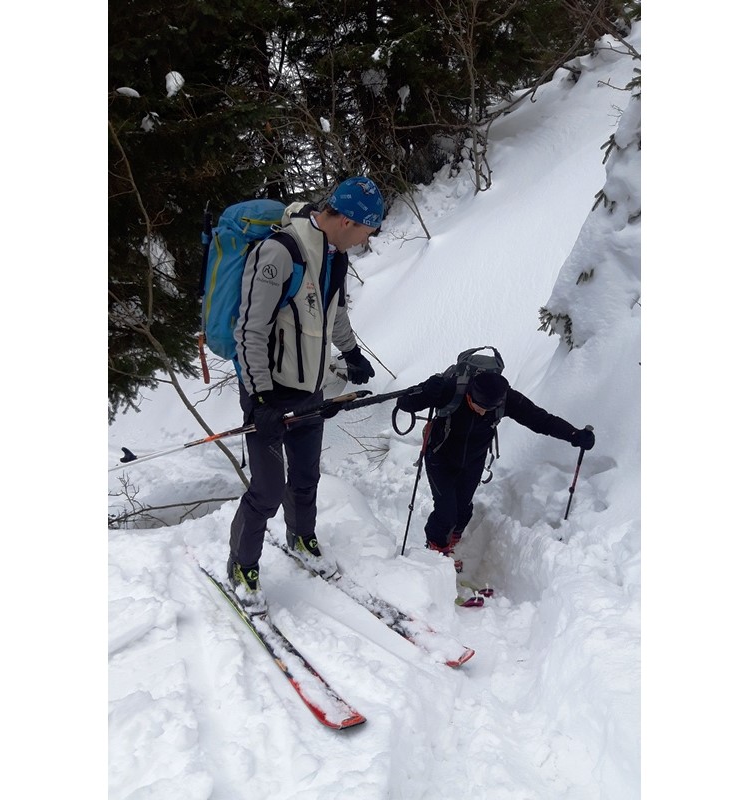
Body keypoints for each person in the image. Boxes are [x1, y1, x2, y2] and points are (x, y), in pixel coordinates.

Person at [227, 177, 384, 611]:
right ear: (348, 220)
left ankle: (301, 536)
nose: (365, 241)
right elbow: (249, 330)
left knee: (305, 476)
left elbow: (333, 314)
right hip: (269, 390)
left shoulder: (335, 257)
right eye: (366, 232)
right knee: (267, 488)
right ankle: (241, 563)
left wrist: (351, 354)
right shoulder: (281, 251)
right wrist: (260, 400)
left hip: (308, 389)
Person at [395, 369, 595, 569]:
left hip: (473, 461)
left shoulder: (504, 398)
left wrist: (574, 434)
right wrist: (428, 392)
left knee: (463, 510)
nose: (483, 412)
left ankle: (453, 542)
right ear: (469, 394)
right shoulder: (450, 389)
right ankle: (437, 552)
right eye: (479, 406)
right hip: (440, 457)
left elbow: (540, 420)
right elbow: (404, 402)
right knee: (446, 512)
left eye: (489, 409)